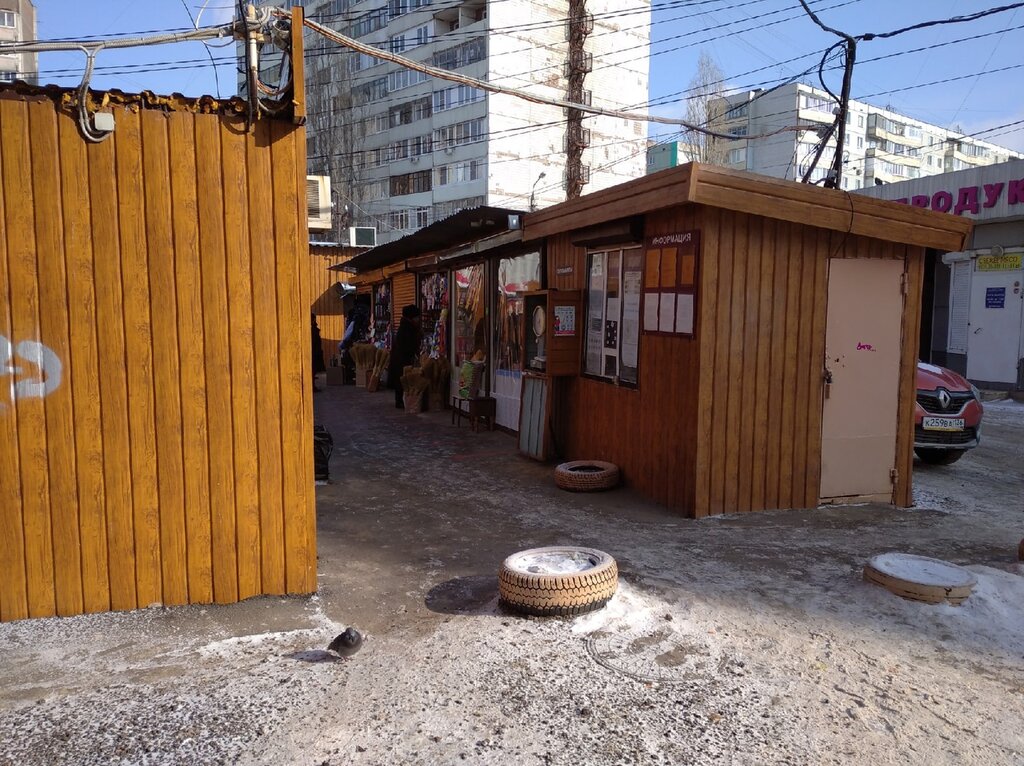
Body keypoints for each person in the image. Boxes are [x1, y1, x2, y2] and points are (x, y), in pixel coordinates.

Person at [388, 304, 422, 409]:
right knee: (402, 380)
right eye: (417, 317)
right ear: (412, 317)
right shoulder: (407, 329)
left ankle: (401, 401)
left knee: (401, 380)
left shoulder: (406, 326)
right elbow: (408, 345)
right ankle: (402, 402)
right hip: (402, 359)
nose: (418, 319)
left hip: (400, 358)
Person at [311, 314, 326, 392]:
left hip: (315, 352)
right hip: (314, 352)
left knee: (314, 370)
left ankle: (313, 386)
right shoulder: (312, 330)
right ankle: (312, 387)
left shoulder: (314, 329)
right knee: (312, 370)